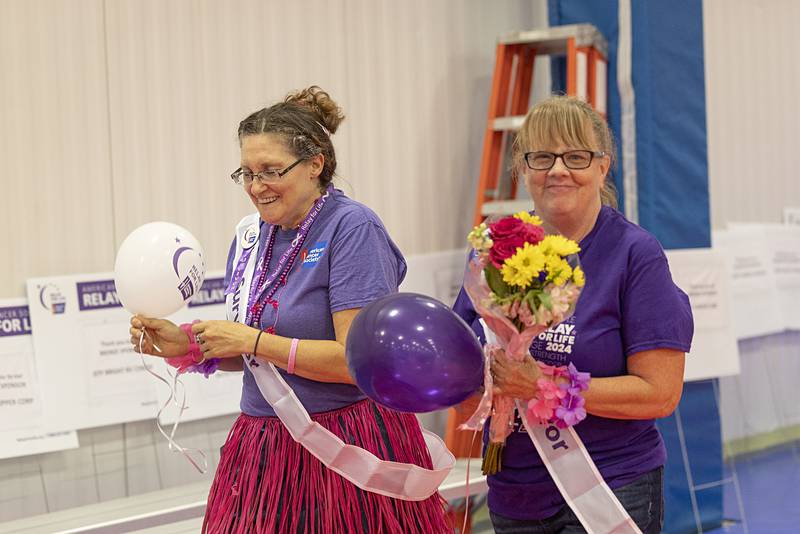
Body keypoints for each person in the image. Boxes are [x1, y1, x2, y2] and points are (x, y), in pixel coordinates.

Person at [129, 86, 451, 533]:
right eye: (246, 173)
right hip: (264, 444)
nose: (256, 187)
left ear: (315, 164)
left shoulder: (352, 228)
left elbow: (357, 363)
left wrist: (251, 339)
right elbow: (252, 356)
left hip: (347, 441)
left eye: (271, 171)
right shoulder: (253, 236)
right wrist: (185, 346)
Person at [453, 95, 693, 533]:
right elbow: (461, 365)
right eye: (542, 156)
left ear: (603, 168)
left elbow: (660, 393)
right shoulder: (492, 250)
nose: (558, 170)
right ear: (522, 169)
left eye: (576, 156)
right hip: (515, 488)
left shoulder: (635, 255)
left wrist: (542, 385)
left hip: (611, 486)